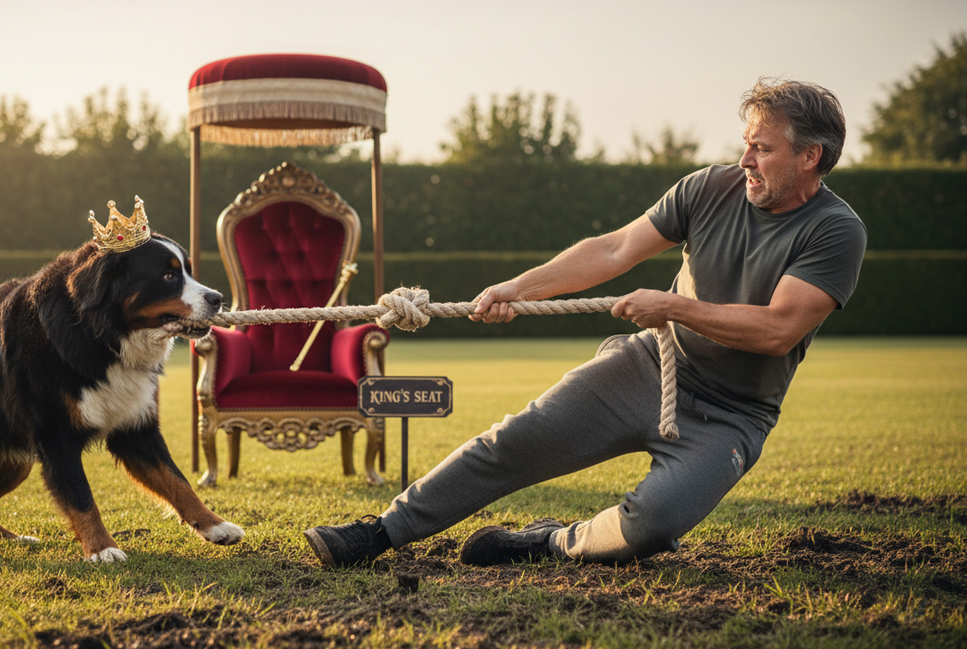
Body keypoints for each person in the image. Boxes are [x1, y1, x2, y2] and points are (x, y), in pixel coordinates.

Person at [303, 77, 867, 568]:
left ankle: (549, 541)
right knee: (515, 441)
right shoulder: (708, 188)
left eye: (762, 149)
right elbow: (615, 249)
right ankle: (380, 532)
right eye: (746, 144)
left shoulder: (836, 231)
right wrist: (519, 287)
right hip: (649, 367)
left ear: (810, 156)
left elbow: (778, 330)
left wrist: (673, 306)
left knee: (651, 525)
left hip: (733, 415)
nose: (745, 160)